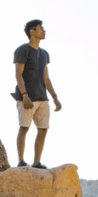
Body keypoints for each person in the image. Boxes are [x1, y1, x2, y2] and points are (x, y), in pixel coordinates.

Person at [12, 19, 61, 168]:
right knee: (24, 127)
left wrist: (55, 98)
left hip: (42, 98)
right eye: (40, 29)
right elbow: (18, 74)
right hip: (26, 98)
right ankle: (21, 161)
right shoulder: (22, 50)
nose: (44, 31)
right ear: (32, 32)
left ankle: (36, 162)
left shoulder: (45, 54)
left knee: (43, 130)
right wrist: (25, 95)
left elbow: (46, 78)